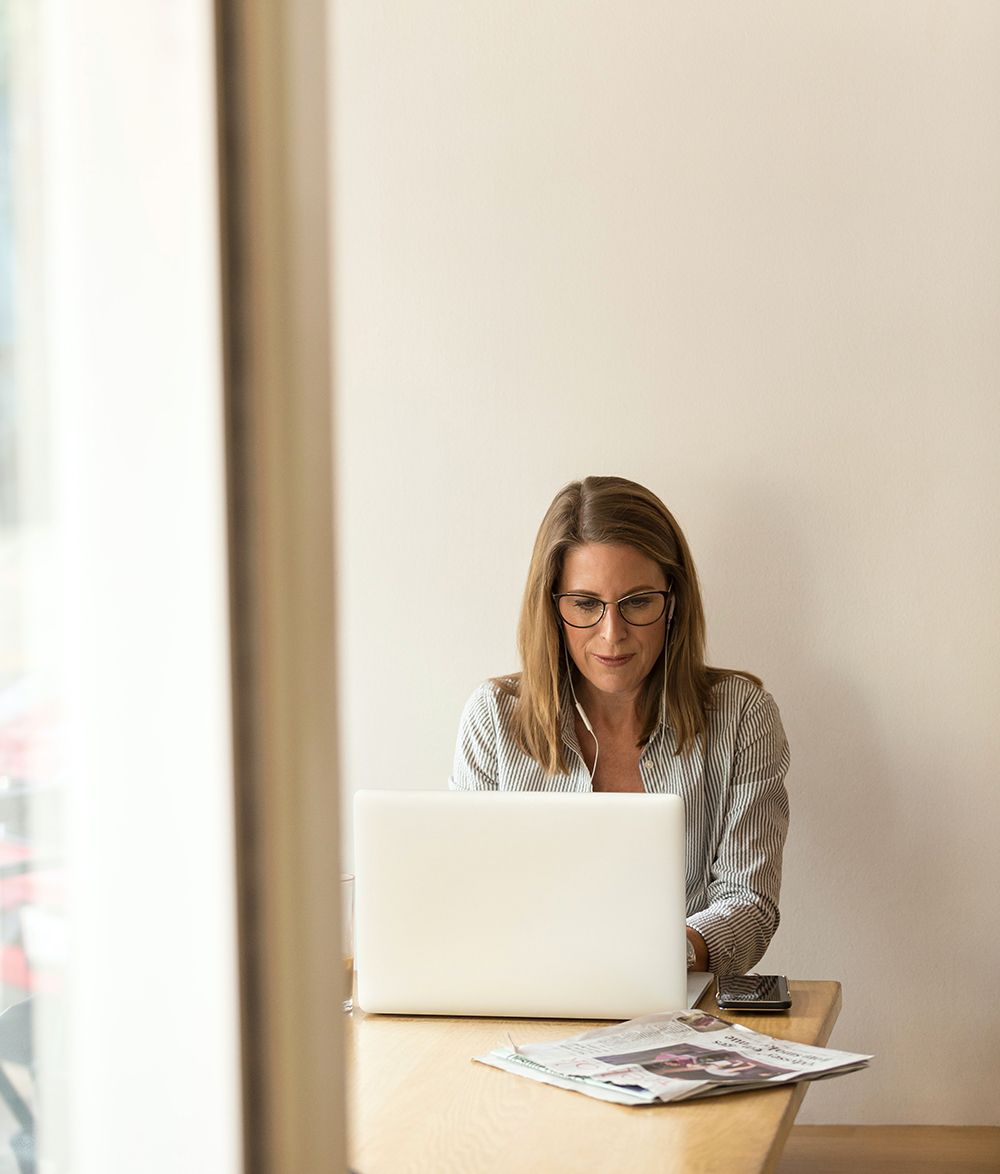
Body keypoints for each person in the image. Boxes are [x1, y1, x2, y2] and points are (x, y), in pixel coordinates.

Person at [449, 475, 790, 977]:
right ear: (553, 608)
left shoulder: (741, 716)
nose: (612, 635)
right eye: (586, 604)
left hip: (679, 1010)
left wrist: (658, 956)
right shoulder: (494, 719)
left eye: (637, 602)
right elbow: (468, 899)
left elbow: (750, 903)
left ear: (672, 602)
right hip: (525, 1001)